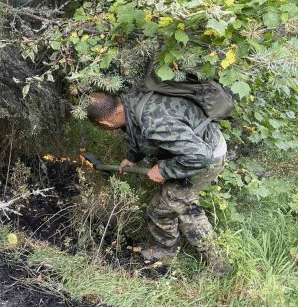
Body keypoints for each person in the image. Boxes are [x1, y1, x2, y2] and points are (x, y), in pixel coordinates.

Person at [86, 87, 230, 275]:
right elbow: (141, 134)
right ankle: (168, 249)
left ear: (105, 122)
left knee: (180, 209)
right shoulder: (129, 101)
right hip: (194, 150)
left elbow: (199, 156)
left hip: (206, 158)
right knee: (162, 208)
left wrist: (164, 170)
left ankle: (219, 266)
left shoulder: (153, 121)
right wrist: (132, 158)